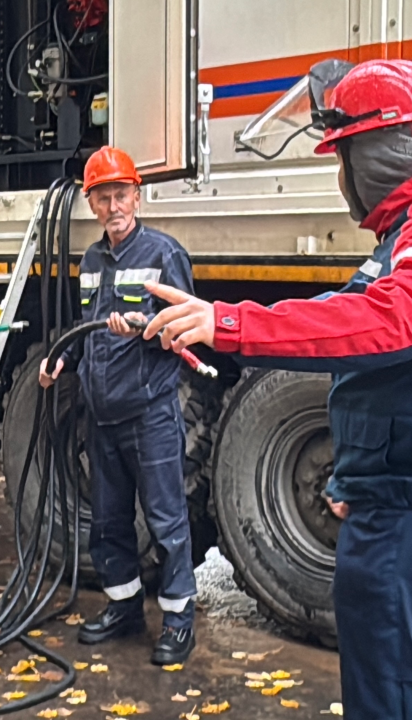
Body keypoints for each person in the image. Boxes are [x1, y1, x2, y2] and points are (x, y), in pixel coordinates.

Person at [140, 59, 412, 718]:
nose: (341, 178)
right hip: (384, 506)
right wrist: (357, 481)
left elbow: (383, 323)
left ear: (377, 154)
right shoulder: (394, 242)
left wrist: (226, 322)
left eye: (343, 157)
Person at [38, 146, 198, 665]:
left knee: (166, 520)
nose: (113, 206)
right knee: (107, 522)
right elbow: (87, 332)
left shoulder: (163, 253)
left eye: (120, 194)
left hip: (148, 412)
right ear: (91, 204)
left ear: (137, 195)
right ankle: (124, 606)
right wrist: (60, 361)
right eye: (102, 197)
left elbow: (185, 331)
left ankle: (177, 621)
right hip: (102, 413)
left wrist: (144, 328)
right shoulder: (90, 259)